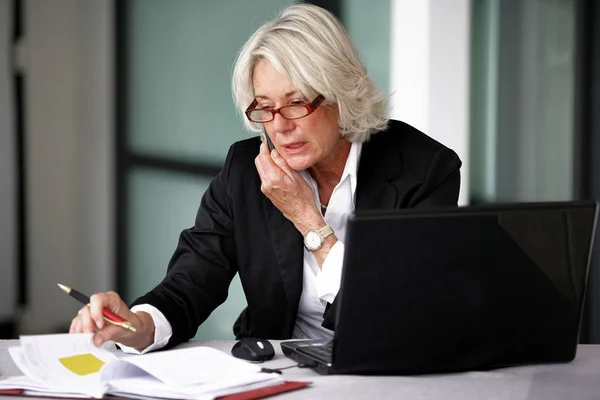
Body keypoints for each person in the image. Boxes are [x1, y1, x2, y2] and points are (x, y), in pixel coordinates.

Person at [70, 3, 462, 353]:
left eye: (296, 103)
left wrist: (310, 222)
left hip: (384, 371)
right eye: (265, 108)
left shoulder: (424, 170)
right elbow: (191, 283)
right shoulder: (245, 170)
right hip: (275, 368)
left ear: (341, 94)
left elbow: (398, 315)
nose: (279, 127)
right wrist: (136, 325)